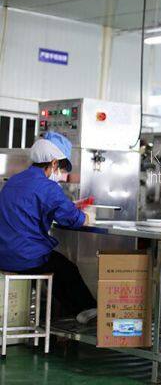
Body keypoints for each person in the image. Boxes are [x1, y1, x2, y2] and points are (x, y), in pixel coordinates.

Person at [0, 132, 97, 324]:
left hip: (3, 254)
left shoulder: (13, 181)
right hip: (25, 257)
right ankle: (87, 311)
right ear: (53, 163)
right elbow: (73, 219)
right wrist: (87, 216)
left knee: (56, 266)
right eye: (60, 168)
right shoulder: (49, 187)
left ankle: (70, 315)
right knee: (66, 268)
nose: (60, 173)